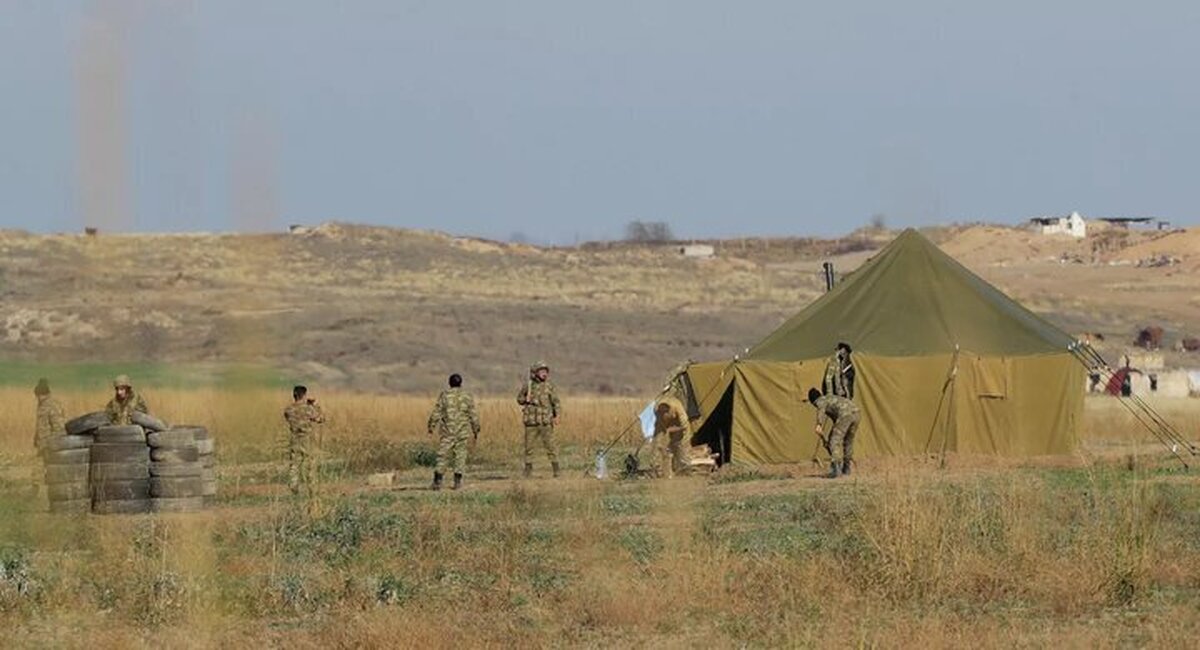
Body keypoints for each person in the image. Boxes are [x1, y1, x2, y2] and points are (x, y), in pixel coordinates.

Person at [426, 373, 481, 490]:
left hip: (448, 432)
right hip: (462, 432)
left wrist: (431, 427)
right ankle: (457, 482)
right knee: (460, 456)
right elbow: (473, 415)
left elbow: (436, 413)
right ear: (460, 383)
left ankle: (437, 481)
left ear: (449, 383)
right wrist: (476, 429)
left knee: (443, 455)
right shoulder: (467, 396)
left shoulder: (444, 396)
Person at [517, 361, 561, 478]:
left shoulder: (549, 386)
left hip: (545, 422)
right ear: (535, 373)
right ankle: (528, 470)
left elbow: (556, 402)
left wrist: (557, 416)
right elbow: (519, 399)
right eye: (541, 371)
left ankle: (556, 470)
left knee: (550, 446)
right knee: (529, 448)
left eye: (546, 371)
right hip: (531, 422)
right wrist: (526, 400)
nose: (544, 374)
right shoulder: (528, 385)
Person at [283, 385, 325, 498]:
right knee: (310, 464)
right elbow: (321, 419)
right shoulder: (308, 409)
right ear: (304, 395)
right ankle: (312, 488)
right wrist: (316, 405)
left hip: (295, 439)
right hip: (307, 440)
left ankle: (294, 486)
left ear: (294, 395)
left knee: (294, 464)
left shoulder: (288, 409)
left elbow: (288, 418)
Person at [808, 387, 860, 478]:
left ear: (813, 401)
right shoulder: (830, 398)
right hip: (856, 413)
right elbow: (836, 420)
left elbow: (821, 409)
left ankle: (836, 469)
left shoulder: (821, 400)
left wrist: (819, 424)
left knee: (833, 441)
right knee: (848, 441)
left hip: (845, 414)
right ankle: (846, 468)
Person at [651, 395, 690, 478]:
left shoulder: (678, 408)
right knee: (657, 443)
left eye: (665, 413)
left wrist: (672, 430)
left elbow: (685, 426)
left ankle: (682, 467)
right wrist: (665, 431)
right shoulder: (656, 409)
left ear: (669, 411)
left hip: (678, 425)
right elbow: (661, 425)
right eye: (661, 413)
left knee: (679, 444)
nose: (663, 414)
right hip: (662, 425)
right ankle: (657, 469)